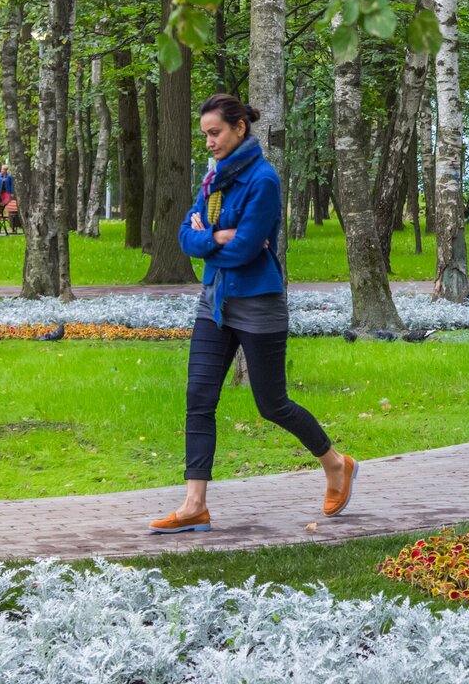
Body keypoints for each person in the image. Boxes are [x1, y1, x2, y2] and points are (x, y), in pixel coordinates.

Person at [149, 93, 356, 534]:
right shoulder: (213, 179)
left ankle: (336, 463)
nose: (208, 142)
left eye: (215, 132)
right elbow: (185, 237)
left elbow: (247, 249)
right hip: (215, 304)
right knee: (198, 400)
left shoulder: (263, 180)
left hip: (258, 306)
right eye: (204, 134)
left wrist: (221, 241)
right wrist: (215, 239)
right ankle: (194, 505)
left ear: (239, 127)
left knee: (272, 404)